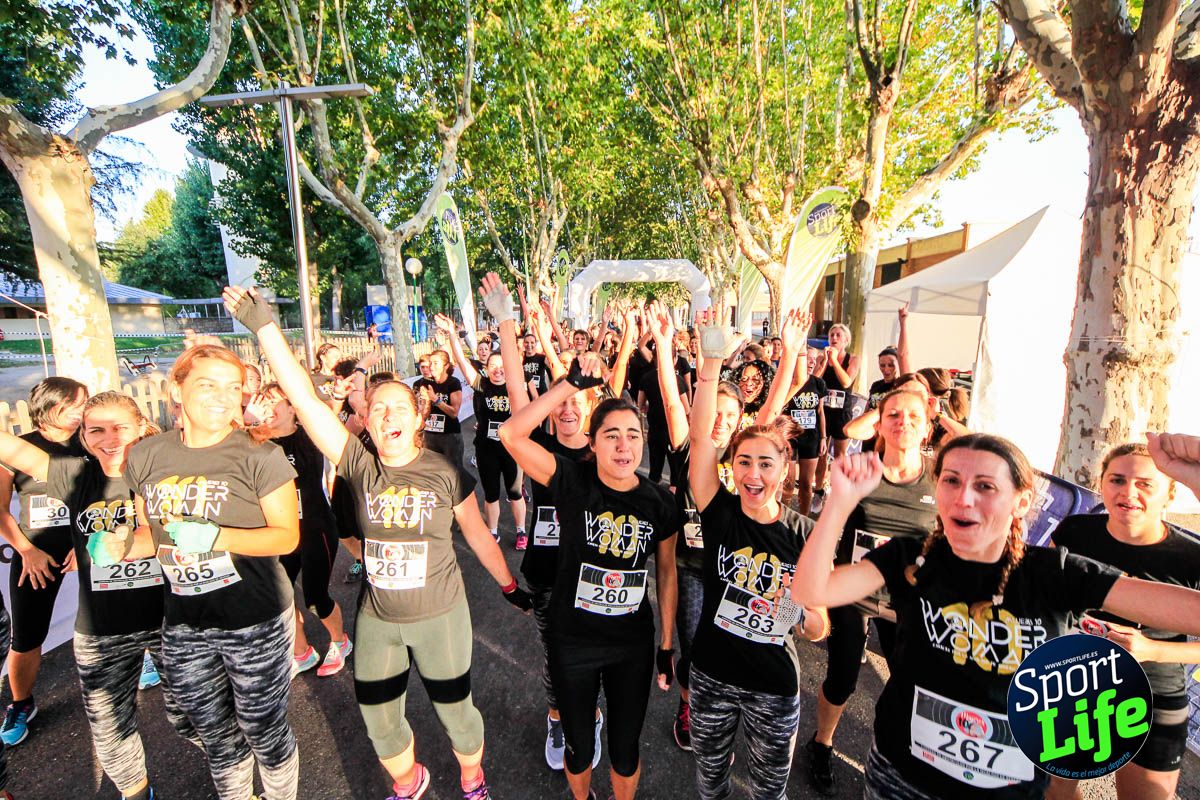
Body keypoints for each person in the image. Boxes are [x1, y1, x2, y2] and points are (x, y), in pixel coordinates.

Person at [225, 285, 532, 800]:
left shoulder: (442, 470)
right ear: (366, 420)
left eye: (399, 409)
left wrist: (507, 585)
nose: (387, 416)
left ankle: (473, 778)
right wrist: (264, 328)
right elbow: (303, 398)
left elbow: (478, 532)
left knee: (457, 711)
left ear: (418, 420)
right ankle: (408, 782)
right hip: (380, 619)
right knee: (378, 714)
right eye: (378, 409)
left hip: (441, 616)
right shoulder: (360, 466)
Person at [792, 432, 1200, 800]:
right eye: (951, 480)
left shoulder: (1056, 573)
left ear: (1022, 501)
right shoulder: (910, 556)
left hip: (1010, 789)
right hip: (900, 775)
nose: (963, 498)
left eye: (985, 486)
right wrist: (840, 503)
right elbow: (812, 592)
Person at [87, 345, 303, 800]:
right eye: (208, 385)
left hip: (256, 617)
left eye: (233, 388)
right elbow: (154, 534)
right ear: (177, 391)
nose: (224, 397)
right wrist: (120, 545)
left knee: (263, 729)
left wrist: (216, 536)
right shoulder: (145, 455)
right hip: (185, 619)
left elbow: (286, 537)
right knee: (213, 732)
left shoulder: (260, 454)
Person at [501, 355, 680, 800]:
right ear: (593, 443)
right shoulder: (571, 481)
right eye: (611, 436)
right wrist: (569, 384)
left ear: (643, 443)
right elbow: (510, 434)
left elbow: (667, 573)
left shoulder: (658, 501)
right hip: (572, 640)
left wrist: (665, 646)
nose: (623, 446)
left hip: (630, 646)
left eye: (633, 436)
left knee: (624, 750)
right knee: (579, 749)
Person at [0, 392, 192, 800]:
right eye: (96, 430)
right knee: (109, 727)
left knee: (193, 715)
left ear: (141, 426)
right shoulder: (73, 475)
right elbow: (11, 447)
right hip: (102, 629)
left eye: (120, 427)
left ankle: (237, 780)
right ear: (83, 437)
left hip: (171, 620)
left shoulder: (167, 470)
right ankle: (136, 793)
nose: (109, 439)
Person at [686, 310, 828, 799]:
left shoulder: (805, 534)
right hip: (710, 678)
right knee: (711, 783)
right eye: (743, 461)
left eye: (765, 463)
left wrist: (792, 604)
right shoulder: (720, 511)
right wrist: (710, 362)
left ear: (785, 470)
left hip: (775, 687)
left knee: (769, 793)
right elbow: (703, 438)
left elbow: (818, 626)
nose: (753, 473)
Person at [482, 273, 607, 770]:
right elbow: (517, 393)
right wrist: (507, 324)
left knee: (594, 654)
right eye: (562, 405)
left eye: (579, 403)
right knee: (556, 656)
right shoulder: (541, 449)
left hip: (596, 575)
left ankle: (590, 714)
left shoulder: (608, 456)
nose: (569, 411)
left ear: (593, 409)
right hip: (547, 574)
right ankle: (558, 715)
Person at [1046, 440, 1200, 800]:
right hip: (1072, 684)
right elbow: (1045, 594)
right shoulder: (1074, 532)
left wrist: (1151, 649)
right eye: (1116, 480)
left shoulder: (1191, 559)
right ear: (1101, 484)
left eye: (1146, 484)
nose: (1128, 492)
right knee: (1052, 793)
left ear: (1170, 494)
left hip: (1153, 692)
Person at [803, 387, 938, 795]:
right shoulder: (861, 470)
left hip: (909, 603)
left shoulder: (940, 479)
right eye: (894, 414)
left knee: (911, 683)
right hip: (854, 591)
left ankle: (907, 754)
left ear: (927, 428)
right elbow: (829, 532)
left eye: (914, 417)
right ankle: (822, 742)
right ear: (879, 422)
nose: (903, 423)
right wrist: (823, 593)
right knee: (842, 679)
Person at [0, 376, 89, 746]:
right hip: (37, 554)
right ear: (55, 409)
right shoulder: (19, 450)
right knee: (27, 635)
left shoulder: (89, 440)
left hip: (89, 546)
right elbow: (0, 511)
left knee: (126, 611)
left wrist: (84, 543)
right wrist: (27, 550)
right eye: (79, 405)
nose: (85, 411)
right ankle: (21, 703)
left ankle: (144, 661)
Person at [249, 384, 352, 679]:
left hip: (315, 528)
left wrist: (337, 397)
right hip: (278, 531)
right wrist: (249, 420)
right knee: (278, 596)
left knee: (315, 597)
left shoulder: (307, 438)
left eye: (273, 400)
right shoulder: (257, 442)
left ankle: (339, 641)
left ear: (293, 408)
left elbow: (328, 415)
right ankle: (302, 652)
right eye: (263, 401)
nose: (267, 406)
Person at [435, 313, 528, 549]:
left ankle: (521, 531)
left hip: (512, 450)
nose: (498, 370)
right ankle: (493, 531)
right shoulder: (481, 384)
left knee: (515, 492)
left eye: (502, 366)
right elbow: (463, 362)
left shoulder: (515, 387)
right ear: (486, 369)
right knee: (490, 493)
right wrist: (453, 334)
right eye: (493, 366)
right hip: (486, 449)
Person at [754, 313, 826, 515]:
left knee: (804, 484)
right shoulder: (762, 403)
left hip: (809, 437)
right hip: (788, 438)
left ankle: (800, 520)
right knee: (786, 483)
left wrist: (797, 346)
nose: (750, 384)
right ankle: (781, 514)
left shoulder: (816, 383)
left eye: (813, 360)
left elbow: (799, 383)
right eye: (745, 380)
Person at [813, 323, 860, 493]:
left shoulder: (853, 359)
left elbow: (846, 381)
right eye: (832, 335)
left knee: (840, 456)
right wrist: (825, 362)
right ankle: (818, 489)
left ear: (846, 340)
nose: (834, 338)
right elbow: (814, 382)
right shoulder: (821, 357)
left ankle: (837, 490)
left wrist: (834, 360)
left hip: (842, 412)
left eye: (838, 335)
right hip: (824, 412)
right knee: (821, 454)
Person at [414, 349, 464, 468]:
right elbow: (420, 411)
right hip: (429, 434)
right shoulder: (422, 383)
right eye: (430, 363)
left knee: (454, 470)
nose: (431, 367)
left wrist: (435, 400)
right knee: (432, 471)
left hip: (449, 434)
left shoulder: (453, 383)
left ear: (446, 366)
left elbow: (454, 413)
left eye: (435, 363)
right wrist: (420, 402)